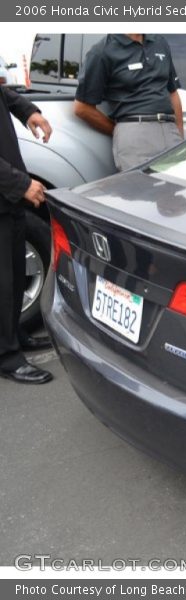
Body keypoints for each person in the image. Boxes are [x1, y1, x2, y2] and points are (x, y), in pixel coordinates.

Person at [1, 86, 54, 384]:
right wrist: (21, 183)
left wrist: (28, 111)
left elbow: (4, 95)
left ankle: (13, 336)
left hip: (8, 199)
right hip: (8, 188)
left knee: (15, 275)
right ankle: (6, 357)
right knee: (3, 281)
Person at [74, 34, 184, 172]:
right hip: (135, 134)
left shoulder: (160, 42)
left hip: (170, 131)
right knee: (143, 191)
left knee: (176, 190)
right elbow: (82, 108)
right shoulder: (101, 51)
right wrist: (119, 129)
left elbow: (172, 93)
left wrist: (180, 138)